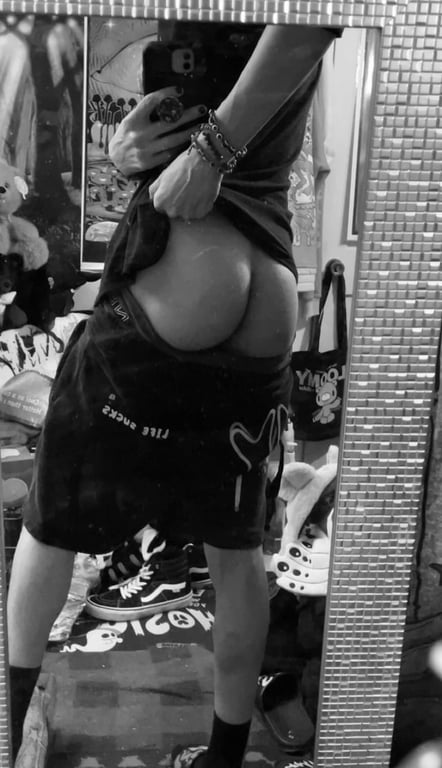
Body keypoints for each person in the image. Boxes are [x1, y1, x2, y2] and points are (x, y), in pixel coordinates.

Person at [7, 20, 341, 768]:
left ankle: (6, 731)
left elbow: (308, 28)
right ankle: (223, 759)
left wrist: (208, 151)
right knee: (236, 549)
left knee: (49, 523)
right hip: (271, 276)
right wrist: (134, 154)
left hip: (187, 258)